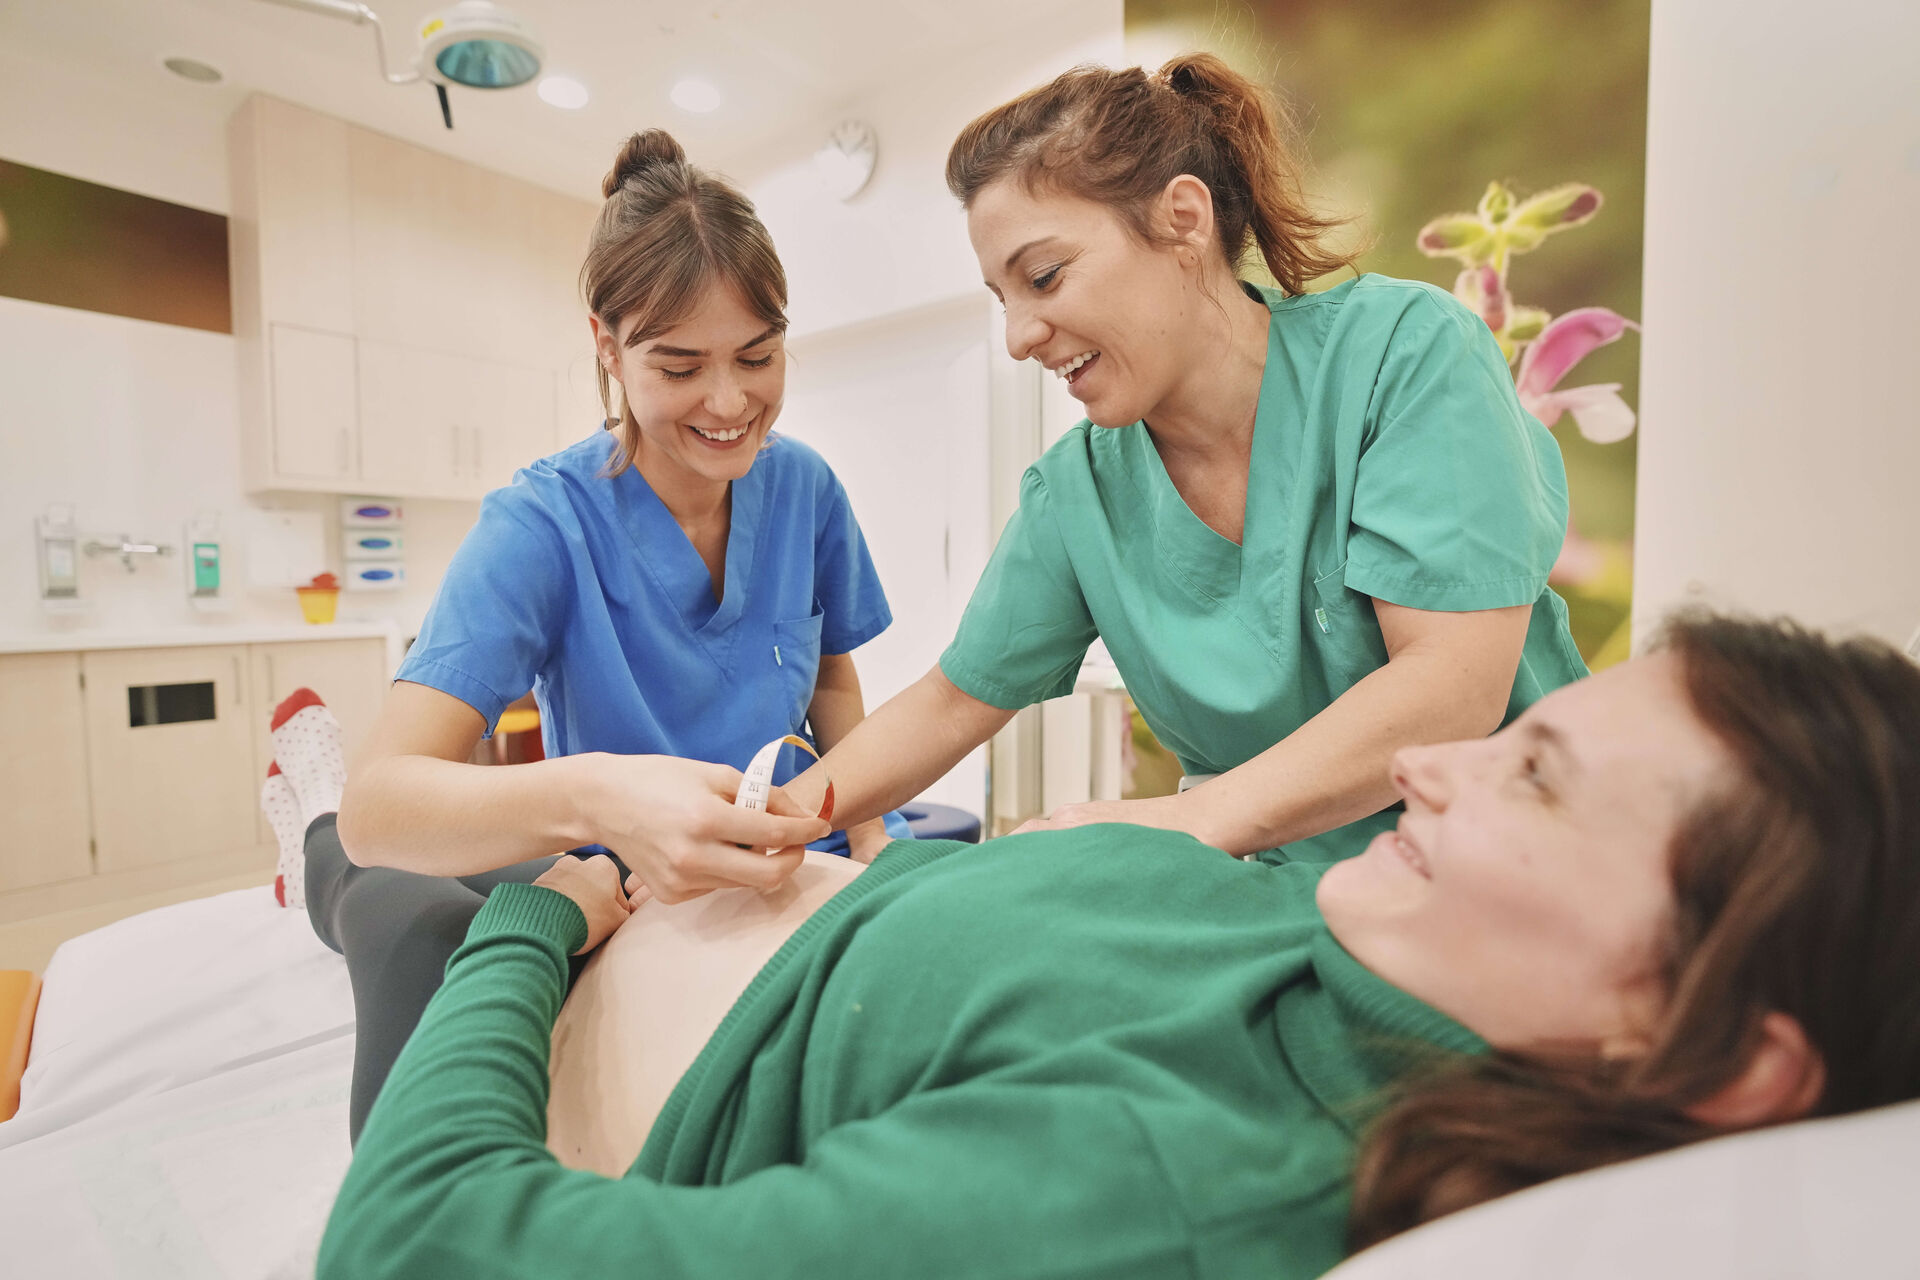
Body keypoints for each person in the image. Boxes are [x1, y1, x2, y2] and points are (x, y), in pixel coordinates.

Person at [311, 612, 1920, 1279]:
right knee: (387, 878)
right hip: (719, 913)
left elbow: (419, 1240)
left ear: (1694, 1042)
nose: (1428, 758)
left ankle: (302, 826)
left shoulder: (1172, 1178)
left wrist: (539, 923)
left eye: (1535, 777)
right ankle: (309, 833)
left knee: (397, 907)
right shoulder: (1371, 934)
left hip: (577, 992)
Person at [780, 54, 1587, 865]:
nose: (1019, 337)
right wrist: (776, 817)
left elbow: (1451, 685)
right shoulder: (1079, 493)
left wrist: (1178, 821)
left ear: (1183, 219)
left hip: (1504, 872)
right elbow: (953, 701)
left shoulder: (1402, 357)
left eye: (1044, 277)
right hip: (1263, 907)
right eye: (1003, 300)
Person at [280, 128, 903, 1141]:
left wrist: (875, 831)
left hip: (788, 870)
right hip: (617, 884)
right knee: (386, 894)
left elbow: (831, 674)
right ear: (607, 348)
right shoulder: (543, 523)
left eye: (758, 354)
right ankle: (298, 821)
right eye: (681, 364)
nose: (731, 400)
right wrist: (600, 792)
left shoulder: (806, 490)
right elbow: (383, 806)